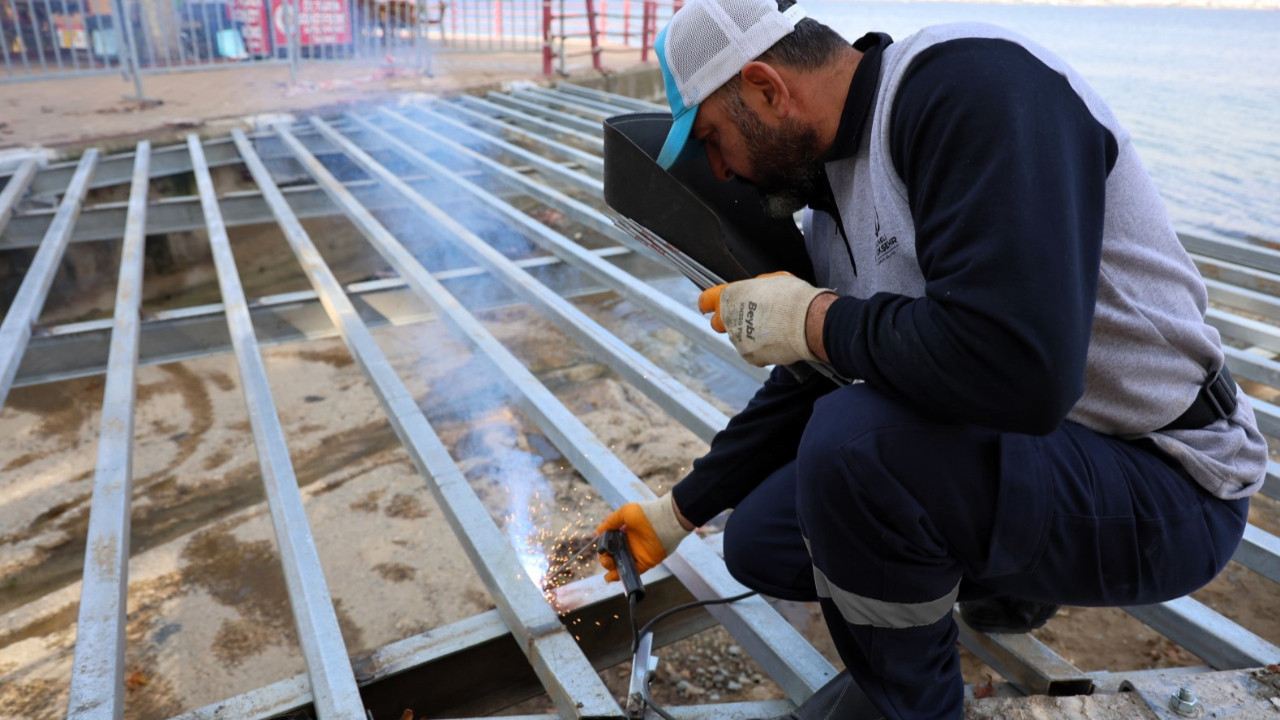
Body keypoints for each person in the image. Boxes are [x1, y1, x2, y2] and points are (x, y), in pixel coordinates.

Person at [595, 0, 1268, 718]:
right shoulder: (829, 204)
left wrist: (816, 319)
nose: (721, 171)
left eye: (713, 140)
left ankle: (911, 706)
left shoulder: (971, 87)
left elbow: (1023, 370)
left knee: (854, 449)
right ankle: (1010, 578)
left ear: (765, 88)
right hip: (1049, 457)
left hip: (1168, 478)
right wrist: (677, 511)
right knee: (763, 542)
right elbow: (808, 384)